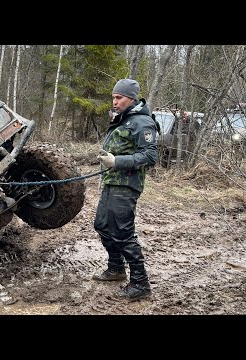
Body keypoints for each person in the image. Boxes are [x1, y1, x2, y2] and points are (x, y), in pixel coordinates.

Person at [93, 78, 158, 301]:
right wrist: (107, 158)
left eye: (119, 97)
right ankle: (116, 268)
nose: (114, 101)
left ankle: (140, 283)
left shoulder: (142, 122)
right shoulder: (123, 120)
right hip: (112, 182)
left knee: (122, 232)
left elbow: (150, 156)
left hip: (127, 185)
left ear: (131, 98)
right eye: (113, 97)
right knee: (101, 225)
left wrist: (117, 161)